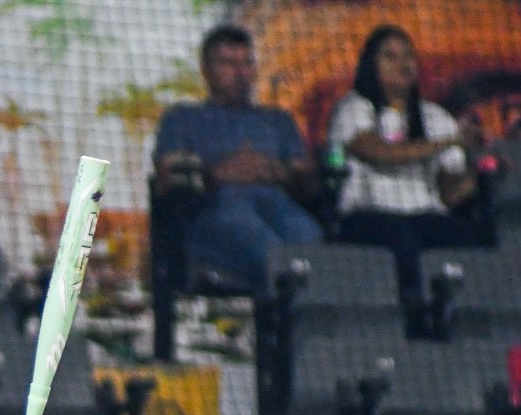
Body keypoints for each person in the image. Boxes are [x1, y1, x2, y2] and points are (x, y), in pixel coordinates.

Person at [153, 25, 322, 292]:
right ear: (206, 70)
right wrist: (217, 172)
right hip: (217, 210)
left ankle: (306, 323)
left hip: (278, 205)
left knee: (309, 235)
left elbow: (306, 173)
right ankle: (278, 318)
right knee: (266, 248)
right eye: (228, 63)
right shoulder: (183, 118)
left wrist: (276, 171)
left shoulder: (277, 121)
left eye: (246, 63)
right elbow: (167, 171)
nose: (240, 72)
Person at [328, 25, 484, 305]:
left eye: (408, 56)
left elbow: (449, 194)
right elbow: (379, 153)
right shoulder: (353, 108)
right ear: (371, 65)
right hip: (368, 215)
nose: (403, 64)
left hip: (427, 215)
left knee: (472, 236)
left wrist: (479, 173)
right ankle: (414, 315)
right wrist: (447, 142)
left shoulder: (436, 117)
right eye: (390, 56)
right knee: (404, 238)